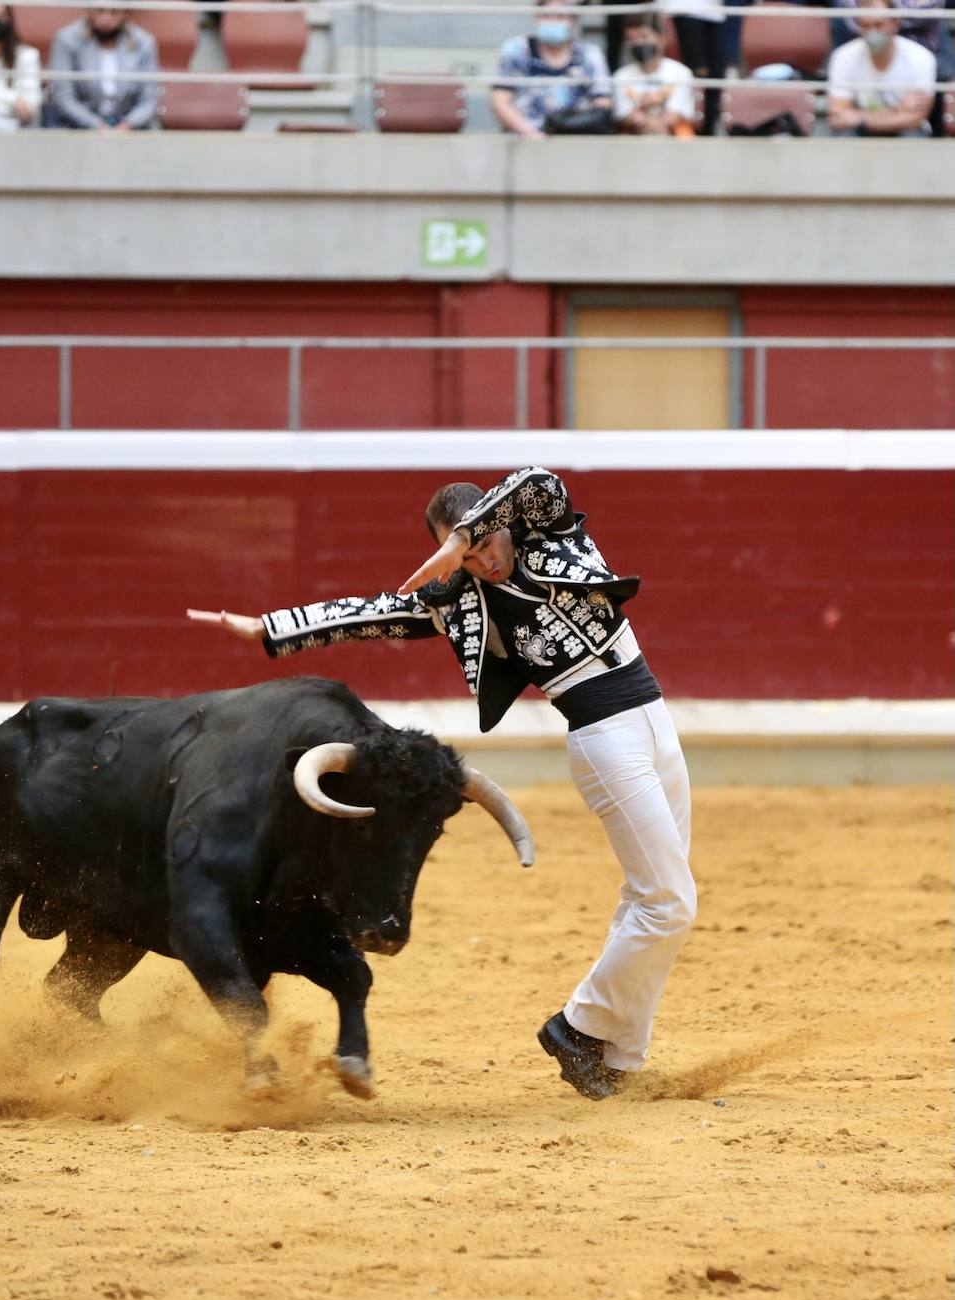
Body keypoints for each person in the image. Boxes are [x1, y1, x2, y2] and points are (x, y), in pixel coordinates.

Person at [187, 467, 697, 1101]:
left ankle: (619, 1055)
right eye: (467, 552)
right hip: (605, 739)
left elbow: (541, 479)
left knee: (653, 894)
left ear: (498, 527)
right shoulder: (458, 601)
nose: (482, 561)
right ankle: (578, 1028)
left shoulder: (551, 536)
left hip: (654, 721)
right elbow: (367, 615)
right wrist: (269, 627)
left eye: (485, 544)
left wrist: (463, 536)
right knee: (669, 901)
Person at [491, 0, 612, 138]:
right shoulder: (516, 50)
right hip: (524, 143)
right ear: (537, 16)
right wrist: (533, 136)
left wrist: (568, 127)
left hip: (576, 143)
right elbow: (499, 102)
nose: (552, 21)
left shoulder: (590, 54)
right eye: (546, 15)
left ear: (573, 20)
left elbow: (603, 104)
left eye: (560, 16)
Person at [827, 0, 937, 136]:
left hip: (902, 131)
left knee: (912, 134)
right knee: (844, 134)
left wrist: (859, 119)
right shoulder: (843, 56)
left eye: (879, 25)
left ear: (895, 24)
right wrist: (897, 111)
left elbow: (915, 119)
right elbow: (837, 116)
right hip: (862, 132)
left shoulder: (921, 57)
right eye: (865, 25)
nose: (872, 32)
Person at [47, 6, 159, 131]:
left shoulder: (144, 41)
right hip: (78, 127)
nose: (106, 18)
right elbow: (64, 97)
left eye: (114, 12)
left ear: (126, 13)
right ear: (89, 10)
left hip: (129, 126)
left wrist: (128, 125)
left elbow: (149, 100)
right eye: (99, 10)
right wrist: (96, 125)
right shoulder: (66, 39)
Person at [612, 11, 696, 136]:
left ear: (661, 38)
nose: (637, 43)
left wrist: (653, 124)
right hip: (635, 137)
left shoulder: (680, 72)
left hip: (674, 138)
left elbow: (676, 115)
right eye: (631, 39)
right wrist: (643, 108)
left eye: (643, 37)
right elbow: (624, 115)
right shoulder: (621, 76)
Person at [664, 0, 727, 134]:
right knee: (695, 71)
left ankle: (709, 129)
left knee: (717, 74)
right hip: (684, 8)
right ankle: (685, 126)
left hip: (713, 11)